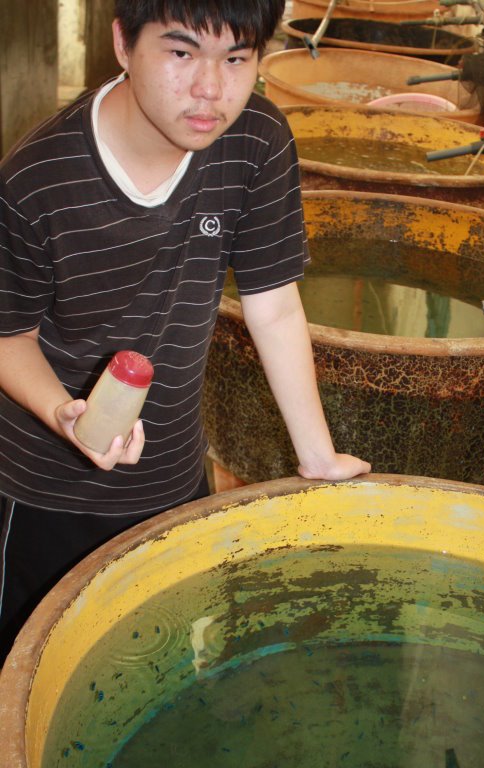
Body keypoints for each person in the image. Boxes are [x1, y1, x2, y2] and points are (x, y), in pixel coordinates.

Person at [0, 0, 371, 661]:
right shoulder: (36, 180)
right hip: (44, 494)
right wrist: (63, 413)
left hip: (174, 479)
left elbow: (274, 302)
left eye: (236, 59)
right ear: (122, 44)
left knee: (159, 665)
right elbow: (7, 337)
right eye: (180, 54)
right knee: (36, 676)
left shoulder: (255, 140)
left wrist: (316, 454)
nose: (210, 90)